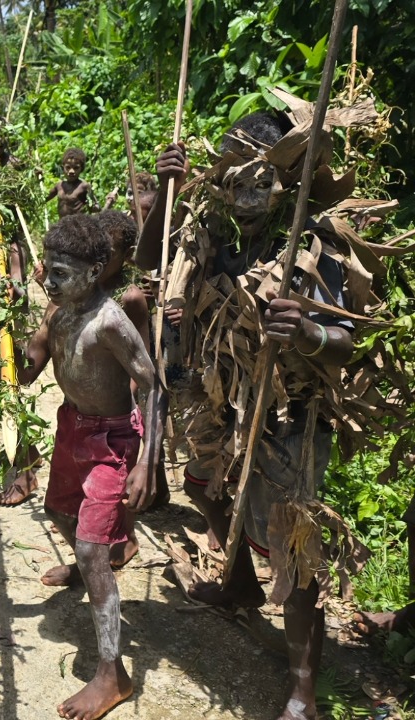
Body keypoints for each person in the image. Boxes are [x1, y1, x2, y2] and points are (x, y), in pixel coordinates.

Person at [135, 112, 357, 720]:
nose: (247, 196)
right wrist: (167, 189)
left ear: (289, 177)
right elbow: (147, 257)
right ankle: (238, 585)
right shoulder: (213, 233)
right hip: (219, 402)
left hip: (287, 412)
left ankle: (302, 691)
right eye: (234, 181)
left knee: (291, 540)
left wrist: (308, 331)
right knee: (203, 486)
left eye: (261, 181)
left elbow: (346, 344)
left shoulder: (312, 246)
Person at [17, 213, 165, 720]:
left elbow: (150, 385)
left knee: (89, 547)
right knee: (58, 512)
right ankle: (95, 563)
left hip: (113, 439)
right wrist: (17, 352)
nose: (49, 280)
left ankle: (112, 673)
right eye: (47, 270)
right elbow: (30, 366)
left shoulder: (110, 322)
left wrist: (147, 459)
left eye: (60, 272)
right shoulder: (59, 313)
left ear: (97, 269)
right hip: (71, 428)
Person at [46, 147, 98, 218]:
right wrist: (39, 179)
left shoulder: (84, 186)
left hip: (78, 226)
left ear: (81, 169)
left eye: (76, 168)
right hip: (62, 225)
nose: (71, 171)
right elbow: (43, 199)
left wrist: (94, 207)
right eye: (68, 167)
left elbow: (97, 206)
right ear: (63, 168)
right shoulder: (59, 186)